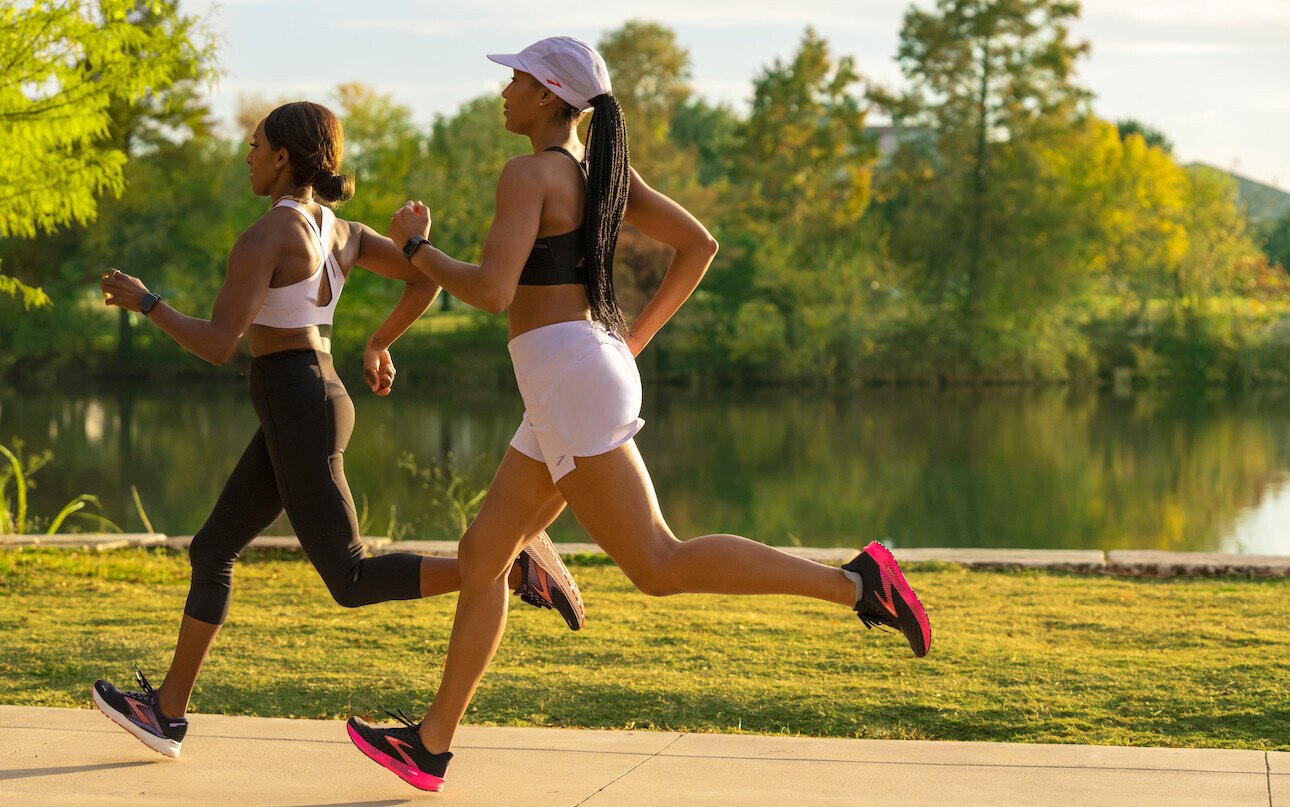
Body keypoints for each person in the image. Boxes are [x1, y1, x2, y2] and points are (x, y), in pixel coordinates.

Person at [344, 38, 932, 793]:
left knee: (657, 563)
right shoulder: (601, 170)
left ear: (550, 95)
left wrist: (417, 248)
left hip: (568, 379)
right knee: (484, 552)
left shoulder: (529, 174)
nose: (504, 91)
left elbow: (491, 291)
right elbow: (699, 245)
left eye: (516, 78)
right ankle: (431, 744)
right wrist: (632, 342)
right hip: (576, 372)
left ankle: (858, 582)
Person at [91, 101, 584, 760]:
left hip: (297, 402)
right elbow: (424, 274)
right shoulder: (341, 230)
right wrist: (380, 340)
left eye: (256, 144)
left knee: (349, 578)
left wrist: (147, 301)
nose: (247, 154)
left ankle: (511, 569)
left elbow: (217, 343)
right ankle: (167, 712)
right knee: (211, 550)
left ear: (282, 157)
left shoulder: (265, 237)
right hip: (308, 399)